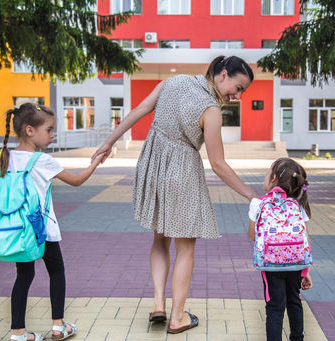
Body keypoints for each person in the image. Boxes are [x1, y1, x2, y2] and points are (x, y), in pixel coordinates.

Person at [92, 56, 258, 333]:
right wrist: (253, 195)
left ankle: (159, 304)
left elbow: (140, 109)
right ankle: (178, 316)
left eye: (242, 92)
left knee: (159, 237)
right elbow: (218, 164)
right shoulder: (212, 110)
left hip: (154, 164)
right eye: (238, 87)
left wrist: (109, 141)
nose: (238, 96)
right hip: (182, 173)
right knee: (186, 247)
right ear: (222, 75)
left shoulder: (174, 81)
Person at [0, 103, 104, 341]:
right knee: (56, 271)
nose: (52, 134)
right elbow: (76, 180)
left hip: (18, 229)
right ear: (29, 130)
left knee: (23, 277)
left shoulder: (7, 157)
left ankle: (18, 333)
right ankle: (59, 326)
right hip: (42, 229)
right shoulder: (41, 160)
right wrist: (96, 161)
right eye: (48, 129)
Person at [247, 158, 313, 341]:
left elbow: (252, 236)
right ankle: (297, 338)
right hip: (296, 264)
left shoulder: (258, 203)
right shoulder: (298, 204)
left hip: (271, 265)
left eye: (268, 172)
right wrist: (305, 270)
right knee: (294, 301)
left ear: (274, 178)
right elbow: (304, 238)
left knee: (275, 307)